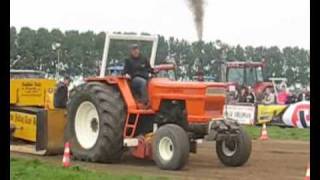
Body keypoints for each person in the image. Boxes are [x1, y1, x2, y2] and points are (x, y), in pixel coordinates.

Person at [123, 44, 154, 108]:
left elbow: (149, 68)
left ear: (138, 50)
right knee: (142, 82)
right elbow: (125, 71)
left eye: (136, 49)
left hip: (145, 77)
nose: (135, 51)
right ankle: (145, 102)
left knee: (153, 82)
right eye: (134, 50)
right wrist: (126, 75)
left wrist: (152, 73)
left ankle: (153, 101)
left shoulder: (144, 58)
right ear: (131, 51)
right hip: (134, 79)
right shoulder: (128, 60)